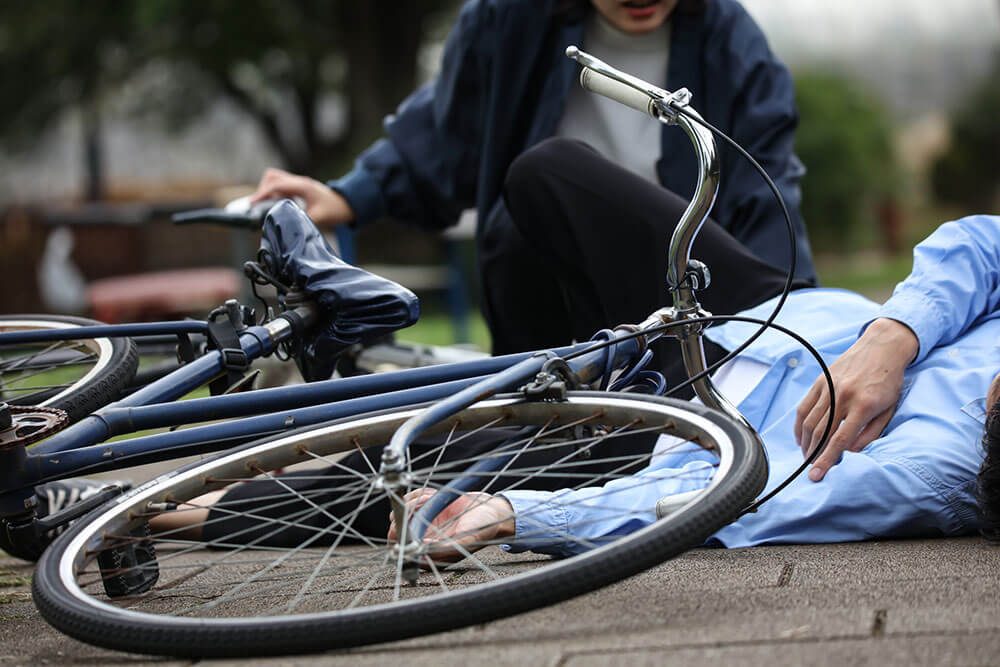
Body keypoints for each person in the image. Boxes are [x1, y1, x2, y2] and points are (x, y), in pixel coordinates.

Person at [383, 213, 1000, 555]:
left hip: (678, 431)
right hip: (763, 318)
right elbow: (983, 243)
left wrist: (516, 514)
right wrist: (892, 336)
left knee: (382, 478)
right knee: (548, 176)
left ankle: (301, 456)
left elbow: (739, 503)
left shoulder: (935, 469)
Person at [248, 0, 817, 359]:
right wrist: (349, 195)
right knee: (527, 199)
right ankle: (225, 506)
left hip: (684, 288)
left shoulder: (733, 41)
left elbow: (767, 189)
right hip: (544, 291)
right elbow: (447, 133)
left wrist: (799, 325)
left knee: (546, 169)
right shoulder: (508, 20)